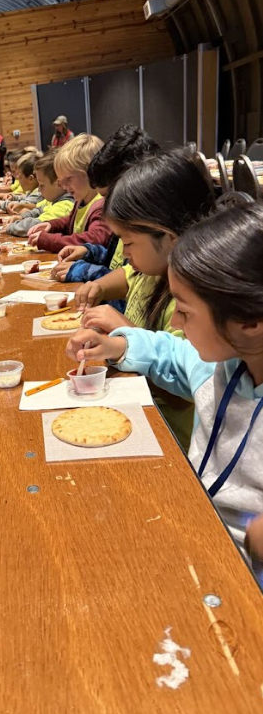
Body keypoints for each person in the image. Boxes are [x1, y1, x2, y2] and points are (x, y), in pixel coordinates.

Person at [67, 203, 263, 565]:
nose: (174, 318)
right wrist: (118, 345)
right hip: (188, 520)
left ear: (249, 322)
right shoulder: (224, 365)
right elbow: (173, 354)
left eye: (185, 311)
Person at [73, 151, 216, 450]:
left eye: (127, 243)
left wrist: (125, 330)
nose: (124, 254)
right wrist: (98, 288)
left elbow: (189, 375)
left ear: (167, 238)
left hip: (169, 436)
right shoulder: (149, 268)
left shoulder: (196, 300)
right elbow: (127, 274)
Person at [50, 125, 162, 284]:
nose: (106, 205)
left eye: (109, 196)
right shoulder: (127, 222)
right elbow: (117, 260)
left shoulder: (147, 231)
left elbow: (128, 285)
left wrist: (84, 271)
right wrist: (89, 252)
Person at [27, 134, 109, 253]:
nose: (64, 187)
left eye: (69, 179)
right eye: (61, 181)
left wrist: (50, 240)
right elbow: (70, 222)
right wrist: (51, 225)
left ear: (89, 173)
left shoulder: (101, 206)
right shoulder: (82, 199)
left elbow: (93, 240)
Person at [5, 152, 73, 237]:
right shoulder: (55, 199)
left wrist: (9, 227)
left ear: (58, 184)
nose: (39, 190)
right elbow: (40, 209)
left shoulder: (65, 205)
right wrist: (22, 217)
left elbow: (36, 226)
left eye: (42, 185)